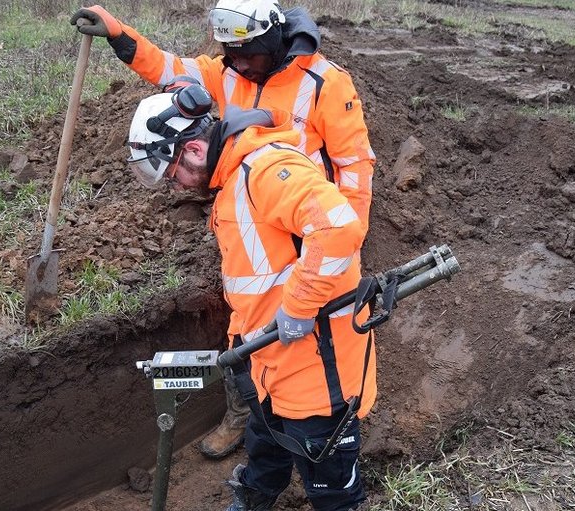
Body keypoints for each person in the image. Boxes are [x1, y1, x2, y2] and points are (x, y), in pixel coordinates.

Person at [72, 0, 376, 460]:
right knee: (247, 319)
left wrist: (345, 244)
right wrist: (118, 33)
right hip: (249, 216)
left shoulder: (325, 84)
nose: (235, 64)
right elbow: (169, 68)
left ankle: (329, 420)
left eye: (245, 54)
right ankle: (254, 414)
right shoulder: (230, 71)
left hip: (307, 227)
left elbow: (354, 165)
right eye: (228, 54)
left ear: (273, 42)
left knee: (314, 336)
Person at [126, 86, 375, 511]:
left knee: (329, 482)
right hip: (267, 360)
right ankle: (256, 497)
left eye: (173, 175)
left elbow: (337, 229)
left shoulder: (265, 170)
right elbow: (258, 277)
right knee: (266, 447)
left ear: (194, 147)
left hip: (315, 367)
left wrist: (297, 309)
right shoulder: (232, 181)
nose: (176, 187)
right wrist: (240, 346)